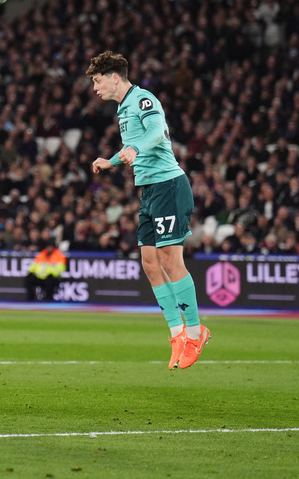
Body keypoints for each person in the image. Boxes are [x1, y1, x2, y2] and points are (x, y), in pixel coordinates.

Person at [87, 51, 210, 370]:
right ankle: (177, 333)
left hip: (170, 185)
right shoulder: (122, 108)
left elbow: (156, 133)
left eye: (98, 81)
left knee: (170, 258)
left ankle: (196, 332)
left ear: (115, 77)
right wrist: (111, 160)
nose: (95, 88)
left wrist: (133, 149)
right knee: (150, 263)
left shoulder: (143, 100)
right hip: (151, 191)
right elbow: (134, 146)